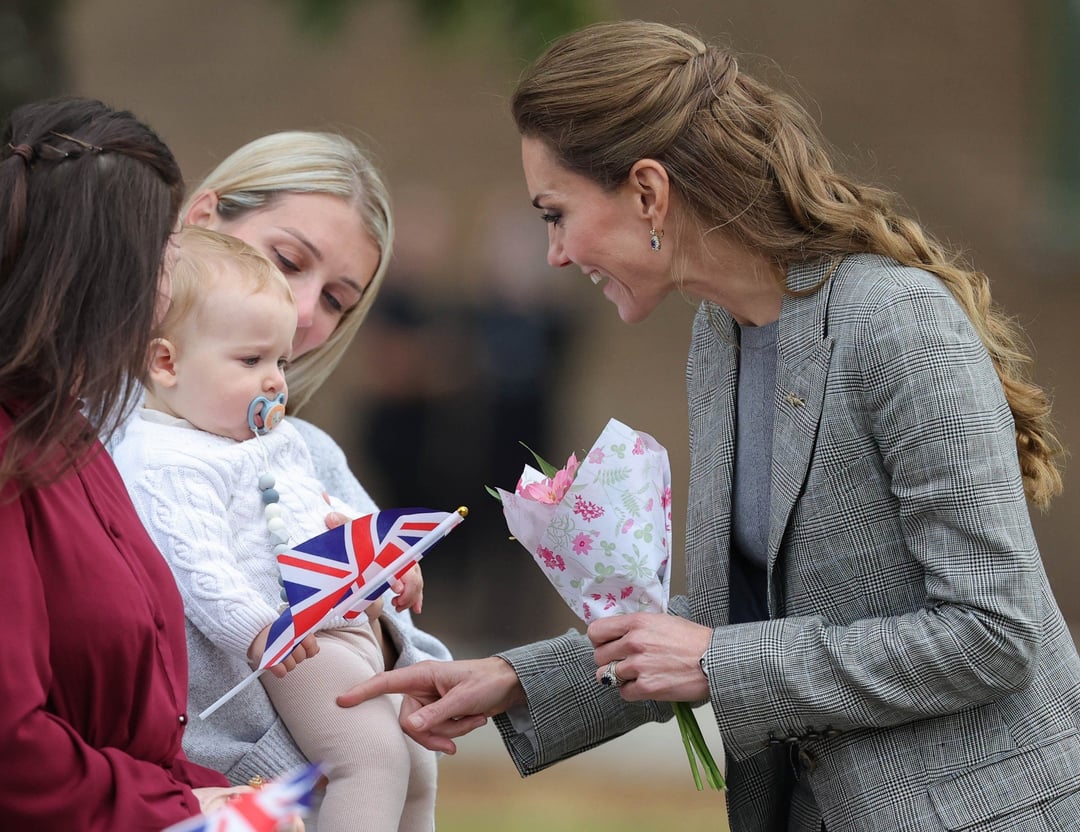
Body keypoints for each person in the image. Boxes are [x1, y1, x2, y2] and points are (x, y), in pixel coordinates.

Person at [337, 20, 1080, 832]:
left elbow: (992, 632)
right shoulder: (720, 337)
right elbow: (742, 620)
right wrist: (518, 682)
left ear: (648, 194)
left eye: (556, 213)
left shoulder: (895, 321)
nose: (554, 253)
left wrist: (717, 662)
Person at [112, 131, 453, 793]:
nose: (301, 311)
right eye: (288, 260)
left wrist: (368, 594)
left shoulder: (305, 452)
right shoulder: (77, 434)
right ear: (200, 219)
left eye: (335, 300)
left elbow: (420, 660)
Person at [0, 97, 252, 829]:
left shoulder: (70, 434)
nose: (172, 283)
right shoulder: (15, 451)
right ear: (113, 270)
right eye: (168, 250)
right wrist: (177, 806)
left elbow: (136, 729)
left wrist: (220, 797)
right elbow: (12, 746)